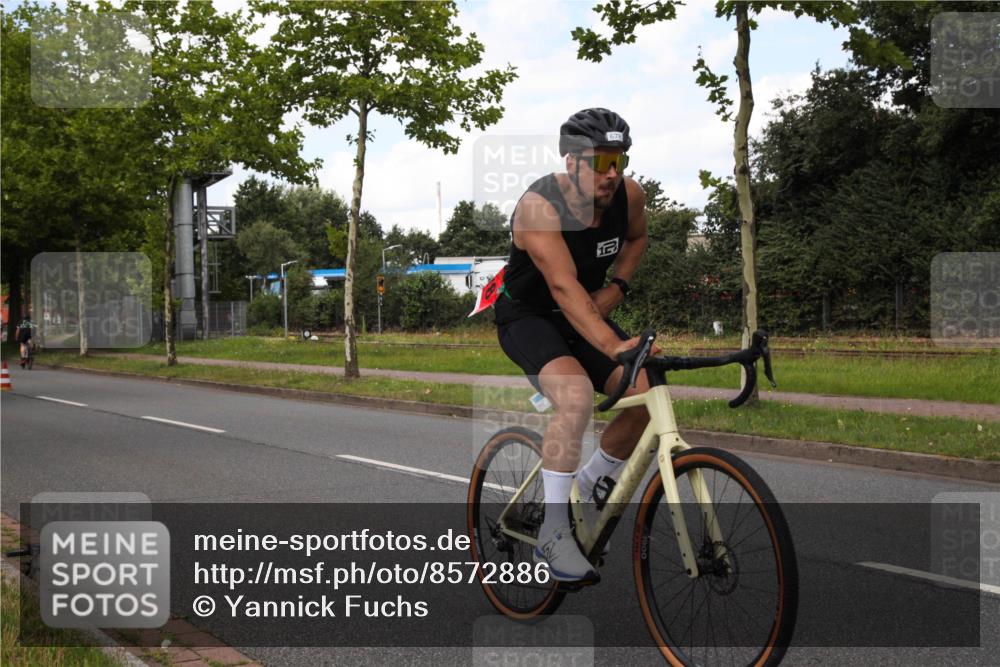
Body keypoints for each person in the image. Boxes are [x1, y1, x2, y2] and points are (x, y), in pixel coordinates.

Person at [494, 108, 660, 582]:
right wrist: (616, 347)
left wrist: (619, 287)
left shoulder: (630, 196)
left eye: (619, 161)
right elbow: (563, 289)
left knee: (644, 392)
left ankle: (585, 486)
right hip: (528, 316)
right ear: (570, 162)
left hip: (585, 310)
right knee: (576, 396)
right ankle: (551, 532)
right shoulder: (539, 207)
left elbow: (638, 236)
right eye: (600, 161)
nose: (612, 173)